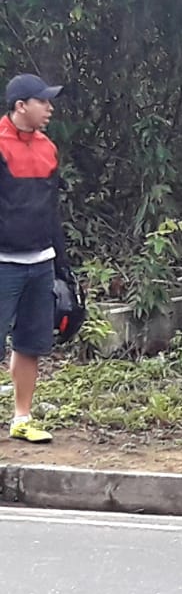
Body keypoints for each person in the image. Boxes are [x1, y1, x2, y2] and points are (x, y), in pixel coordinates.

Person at [0, 73, 69, 444]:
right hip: (2, 263)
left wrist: (62, 265)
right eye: (43, 101)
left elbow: (52, 211)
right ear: (21, 106)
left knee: (29, 345)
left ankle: (22, 418)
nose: (50, 108)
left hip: (40, 262)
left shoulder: (48, 148)